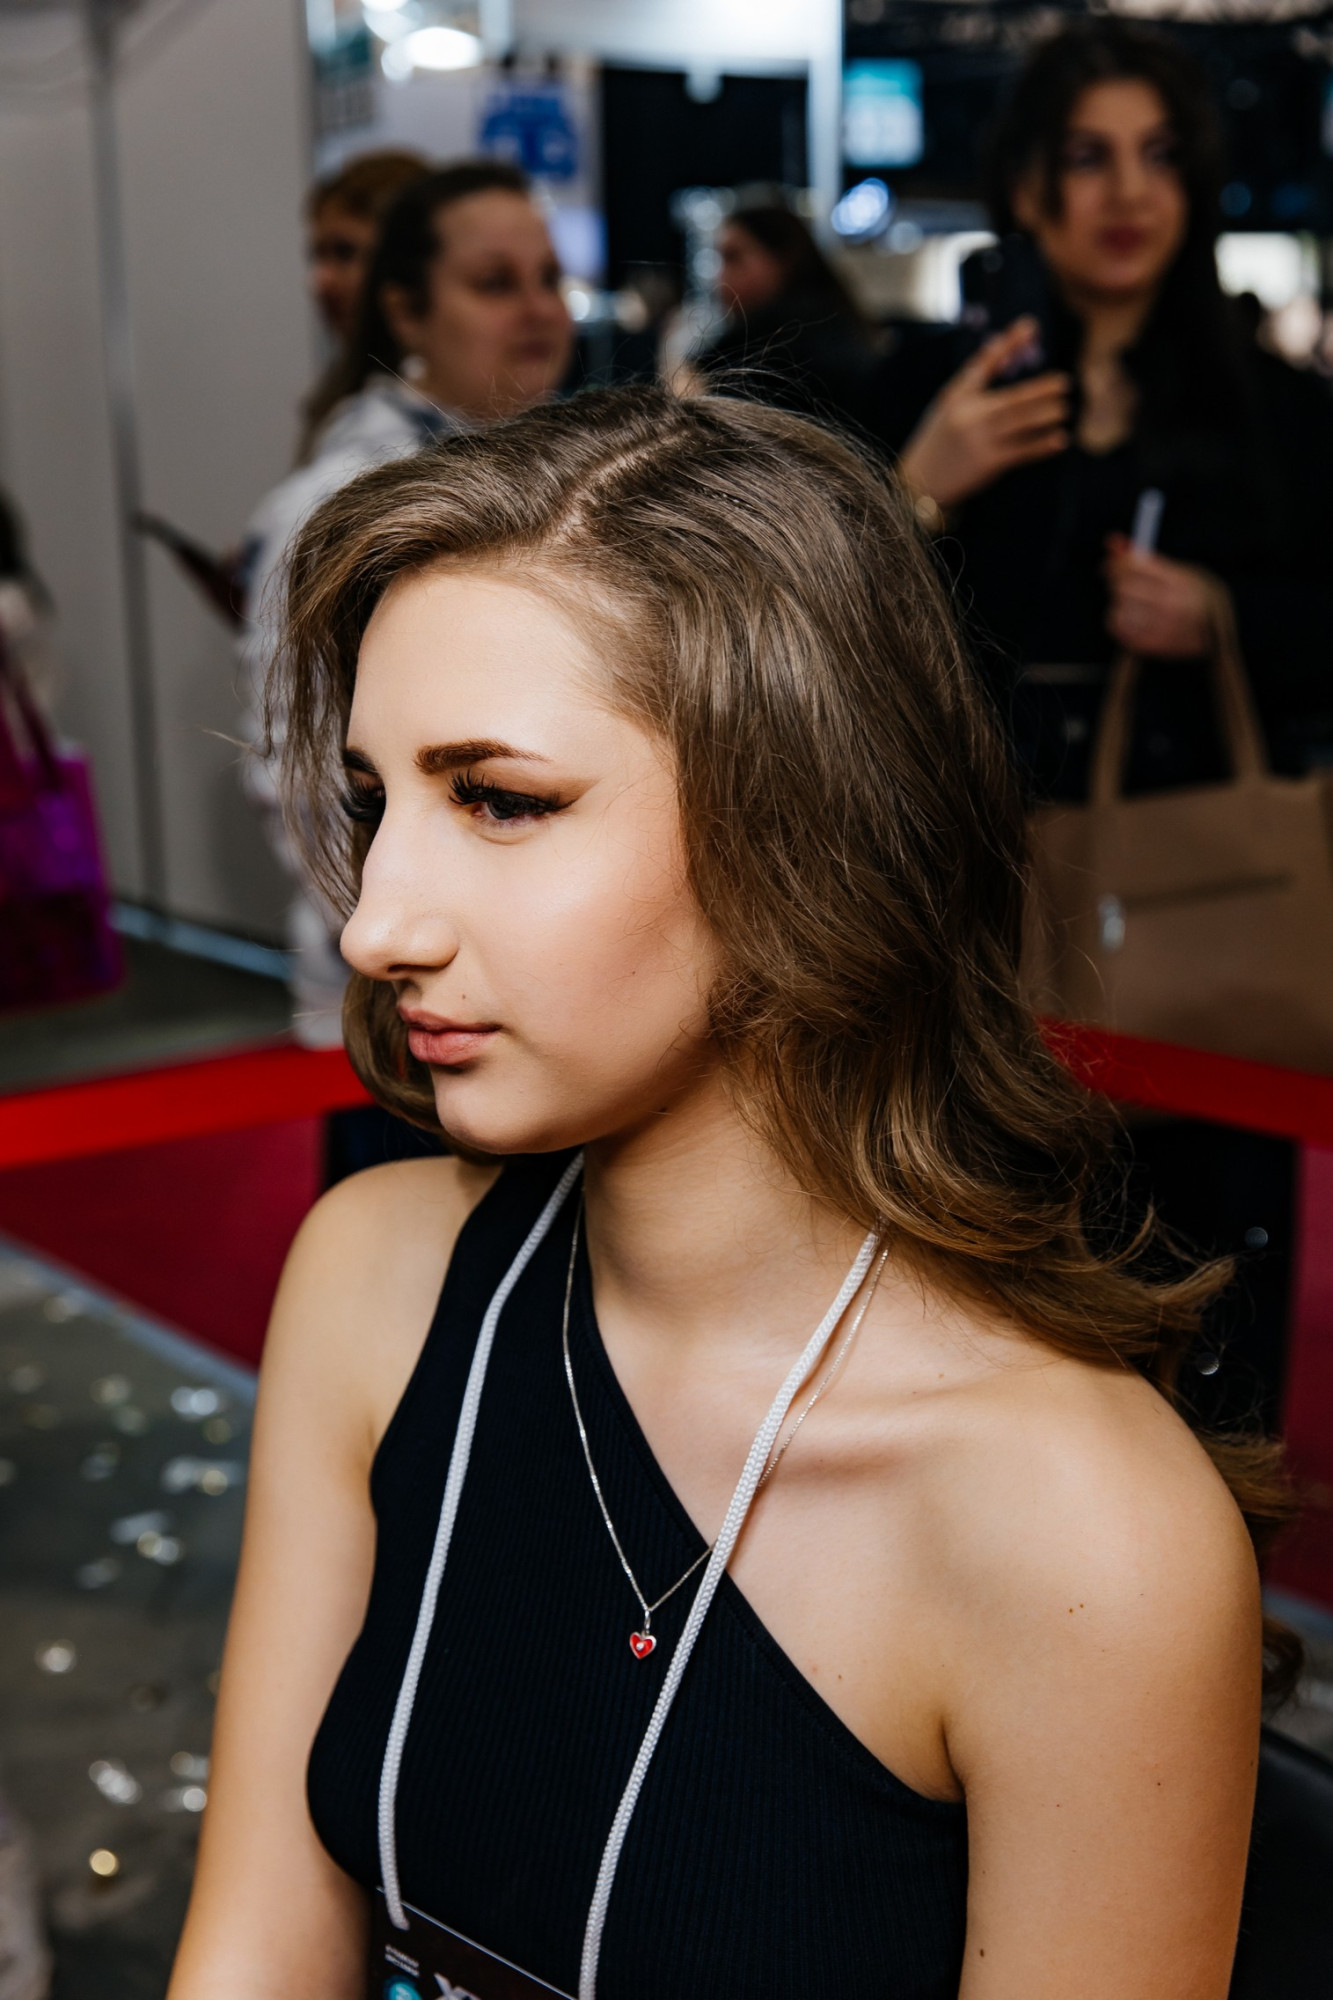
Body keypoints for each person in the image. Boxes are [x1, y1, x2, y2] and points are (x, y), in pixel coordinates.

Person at [171, 385, 1290, 1999]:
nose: (376, 923)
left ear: (798, 825)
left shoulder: (1085, 1536)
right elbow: (255, 1952)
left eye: (499, 800)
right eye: (375, 801)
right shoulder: (376, 1280)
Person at [877, 19, 1333, 797]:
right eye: (1088, 158)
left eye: (1160, 155)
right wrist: (915, 493)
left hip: (1198, 836)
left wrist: (1220, 615)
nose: (1129, 193)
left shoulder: (1275, 404)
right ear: (1024, 187)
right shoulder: (926, 387)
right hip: (971, 830)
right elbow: (824, 648)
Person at [238, 159, 573, 1056]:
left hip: (533, 1003)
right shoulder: (341, 502)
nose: (539, 310)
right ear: (407, 311)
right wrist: (405, 943)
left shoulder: (548, 472)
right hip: (404, 1018)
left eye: (549, 278)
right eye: (494, 283)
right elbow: (298, 780)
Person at [694, 202, 879, 430]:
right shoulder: (831, 322)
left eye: (734, 258)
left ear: (783, 259)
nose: (720, 276)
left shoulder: (786, 348)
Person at [299, 149, 430, 464]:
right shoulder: (343, 387)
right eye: (318, 256)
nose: (322, 281)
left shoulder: (444, 405)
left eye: (344, 253)